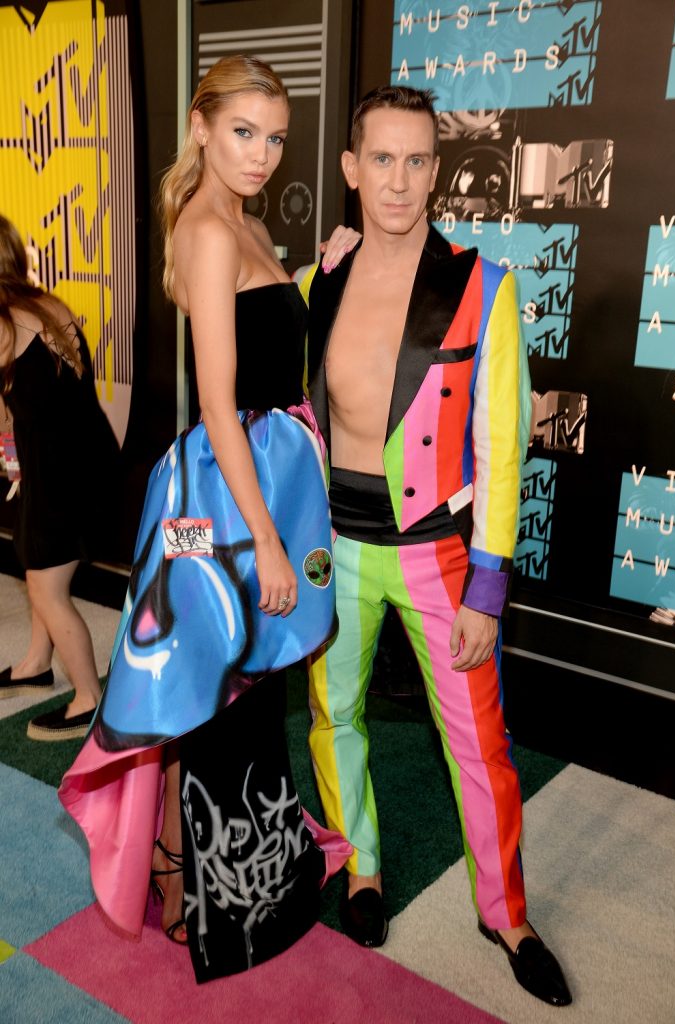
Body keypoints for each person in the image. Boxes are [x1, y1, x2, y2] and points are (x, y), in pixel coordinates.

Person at [60, 56, 353, 982]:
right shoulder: (208, 228)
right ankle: (200, 887)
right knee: (218, 692)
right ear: (199, 125)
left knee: (225, 689)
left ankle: (207, 872)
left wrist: (315, 275)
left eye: (273, 137)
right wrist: (266, 540)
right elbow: (222, 404)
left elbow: (264, 334)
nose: (262, 153)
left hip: (246, 487)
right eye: (243, 133)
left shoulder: (245, 220)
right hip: (222, 503)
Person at [303, 86, 572, 1008]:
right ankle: (362, 867)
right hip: (331, 546)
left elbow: (503, 447)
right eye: (382, 159)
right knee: (334, 719)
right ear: (350, 169)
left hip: (436, 553)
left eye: (419, 160)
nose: (400, 180)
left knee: (480, 746)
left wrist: (488, 586)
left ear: (436, 171)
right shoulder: (318, 282)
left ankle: (506, 914)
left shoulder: (483, 286)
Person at [0, 214, 119, 741]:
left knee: (49, 588)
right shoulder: (45, 303)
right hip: (83, 461)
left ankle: (90, 698)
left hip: (59, 474)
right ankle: (35, 662)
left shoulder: (4, 318)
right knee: (35, 565)